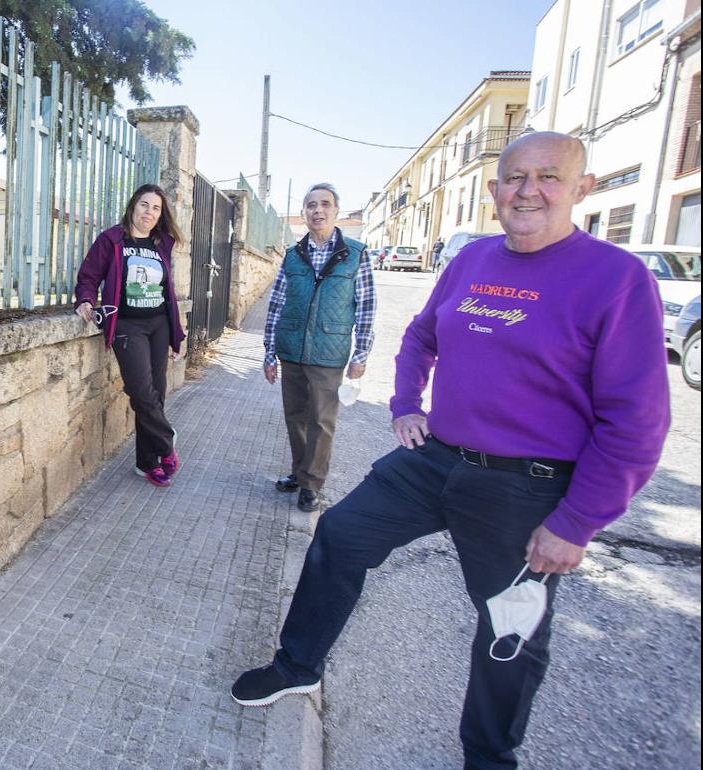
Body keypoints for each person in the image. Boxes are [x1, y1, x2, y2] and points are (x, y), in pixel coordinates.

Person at [231, 132, 671, 770]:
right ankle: (297, 665)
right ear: (493, 192)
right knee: (341, 534)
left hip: (528, 488)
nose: (528, 191)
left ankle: (488, 758)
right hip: (436, 458)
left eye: (548, 177)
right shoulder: (472, 262)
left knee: (511, 630)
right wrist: (406, 403)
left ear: (582, 188)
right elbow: (421, 335)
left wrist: (576, 523)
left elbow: (637, 422)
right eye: (514, 178)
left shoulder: (616, 279)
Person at [263, 183, 376, 512]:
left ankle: (312, 485)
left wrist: (361, 355)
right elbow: (276, 304)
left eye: (325, 204)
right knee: (294, 417)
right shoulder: (293, 255)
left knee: (322, 421)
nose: (318, 210)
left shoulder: (356, 254)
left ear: (336, 211)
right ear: (304, 213)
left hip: (329, 353)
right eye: (311, 205)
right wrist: (269, 352)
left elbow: (366, 307)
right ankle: (300, 474)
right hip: (292, 349)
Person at [74, 183, 186, 487]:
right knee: (141, 392)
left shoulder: (162, 243)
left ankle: (146, 463)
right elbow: (89, 276)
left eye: (155, 208)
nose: (149, 212)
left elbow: (168, 291)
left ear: (160, 214)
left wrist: (177, 332)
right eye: (144, 205)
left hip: (159, 324)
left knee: (156, 392)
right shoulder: (112, 239)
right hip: (126, 324)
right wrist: (85, 299)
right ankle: (166, 442)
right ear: (132, 206)